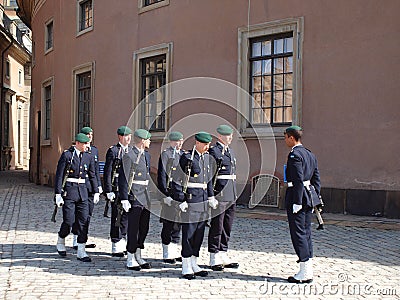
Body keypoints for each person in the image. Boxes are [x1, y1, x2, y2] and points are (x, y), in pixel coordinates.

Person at [172, 132, 218, 280]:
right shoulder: (187, 158)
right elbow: (177, 180)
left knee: (199, 233)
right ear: (197, 143)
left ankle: (194, 262)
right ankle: (185, 265)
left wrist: (211, 197)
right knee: (189, 233)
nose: (207, 147)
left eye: (208, 144)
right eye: (205, 144)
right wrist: (181, 199)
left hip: (203, 201)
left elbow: (209, 180)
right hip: (191, 200)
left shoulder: (207, 158)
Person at [54, 133, 99, 262]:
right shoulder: (68, 155)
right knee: (68, 220)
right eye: (84, 144)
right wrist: (58, 194)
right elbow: (59, 175)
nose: (86, 146)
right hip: (70, 192)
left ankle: (81, 250)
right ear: (77, 143)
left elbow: (92, 175)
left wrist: (96, 191)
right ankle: (61, 239)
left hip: (83, 193)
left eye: (87, 143)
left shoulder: (88, 157)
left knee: (84, 221)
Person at [284, 125, 321, 283]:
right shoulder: (309, 154)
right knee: (306, 233)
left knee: (298, 233)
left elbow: (298, 179)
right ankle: (307, 268)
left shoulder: (295, 155)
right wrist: (316, 198)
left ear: (292, 138)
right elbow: (316, 179)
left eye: (285, 137)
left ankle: (304, 272)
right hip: (308, 196)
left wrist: (297, 201)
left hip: (297, 196)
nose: (285, 140)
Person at [118, 129, 152, 271]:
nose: (150, 141)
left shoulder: (146, 156)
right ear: (143, 141)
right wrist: (124, 198)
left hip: (145, 196)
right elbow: (124, 178)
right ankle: (130, 256)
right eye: (148, 139)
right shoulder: (129, 156)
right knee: (133, 228)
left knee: (144, 227)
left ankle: (138, 253)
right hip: (134, 195)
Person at [208, 125, 239, 271]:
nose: (230, 138)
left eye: (231, 135)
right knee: (217, 225)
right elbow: (209, 176)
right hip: (219, 193)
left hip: (230, 193)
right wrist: (210, 195)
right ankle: (214, 255)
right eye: (228, 136)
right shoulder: (214, 151)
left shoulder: (230, 152)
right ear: (220, 136)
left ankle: (223, 252)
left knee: (227, 224)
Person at [71, 126, 102, 250]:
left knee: (87, 214)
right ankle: (75, 238)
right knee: (77, 214)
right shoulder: (74, 151)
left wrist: (98, 187)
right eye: (87, 134)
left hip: (90, 185)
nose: (89, 136)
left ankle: (83, 238)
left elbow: (95, 170)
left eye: (91, 134)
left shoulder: (94, 150)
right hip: (80, 186)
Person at [103, 126, 132, 257]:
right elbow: (108, 171)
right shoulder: (114, 151)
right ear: (120, 137)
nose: (129, 138)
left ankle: (123, 239)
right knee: (117, 216)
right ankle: (116, 242)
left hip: (128, 188)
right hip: (116, 187)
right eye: (126, 136)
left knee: (126, 216)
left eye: (130, 136)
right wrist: (108, 190)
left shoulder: (131, 151)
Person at [157, 131, 184, 264]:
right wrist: (164, 195)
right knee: (169, 224)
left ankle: (174, 250)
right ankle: (167, 252)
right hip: (169, 194)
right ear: (171, 142)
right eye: (177, 141)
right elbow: (161, 177)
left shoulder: (183, 155)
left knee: (178, 224)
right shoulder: (166, 155)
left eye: (181, 141)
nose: (179, 144)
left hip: (179, 194)